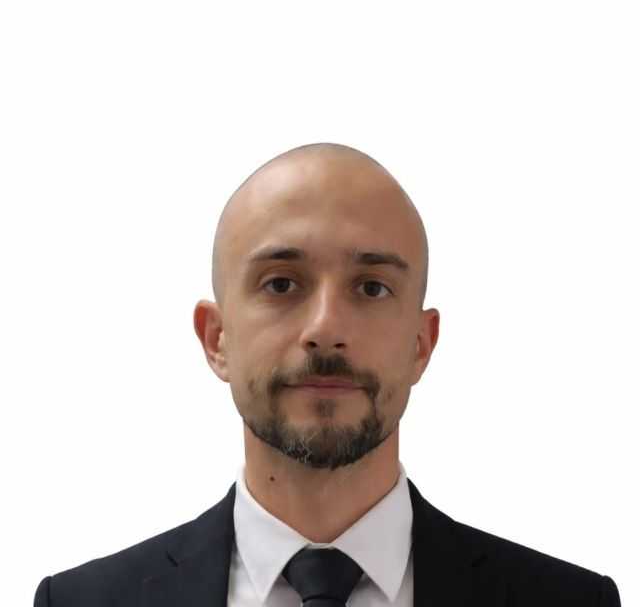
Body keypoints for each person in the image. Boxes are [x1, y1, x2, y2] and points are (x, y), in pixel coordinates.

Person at [33, 143, 621, 606]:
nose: (325, 327)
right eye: (281, 283)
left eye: (371, 288)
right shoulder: (81, 602)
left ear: (421, 345)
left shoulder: (572, 601)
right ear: (217, 339)